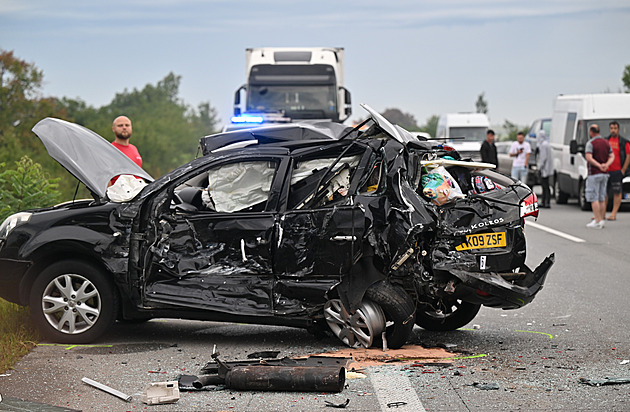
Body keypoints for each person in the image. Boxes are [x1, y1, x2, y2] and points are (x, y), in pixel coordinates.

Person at [584, 124, 614, 229]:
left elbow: (589, 157)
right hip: (605, 174)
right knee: (602, 197)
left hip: (594, 173)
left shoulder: (590, 143)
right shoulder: (606, 142)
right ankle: (601, 219)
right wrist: (606, 164)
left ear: (591, 132)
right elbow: (612, 156)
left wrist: (598, 165)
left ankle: (596, 220)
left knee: (594, 197)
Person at [605, 121, 630, 221]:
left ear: (618, 129)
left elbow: (628, 156)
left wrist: (623, 169)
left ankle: (614, 213)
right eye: (611, 128)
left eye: (615, 128)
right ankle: (602, 213)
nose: (613, 130)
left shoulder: (624, 142)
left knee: (617, 192)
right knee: (604, 193)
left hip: (617, 171)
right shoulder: (606, 141)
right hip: (607, 170)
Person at [536, 129, 553, 208]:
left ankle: (545, 201)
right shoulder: (547, 144)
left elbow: (543, 157)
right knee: (546, 186)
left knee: (544, 185)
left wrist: (539, 167)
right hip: (548, 168)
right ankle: (546, 201)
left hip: (544, 169)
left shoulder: (543, 145)